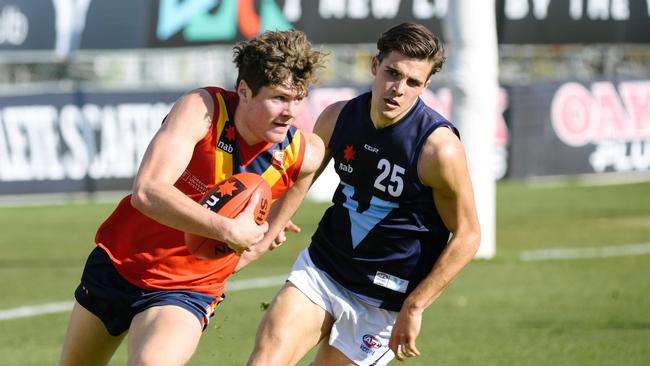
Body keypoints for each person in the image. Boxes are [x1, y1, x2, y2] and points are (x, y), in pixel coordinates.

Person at [59, 29, 325, 366]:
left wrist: (232, 252)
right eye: (279, 98)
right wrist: (227, 232)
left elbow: (265, 234)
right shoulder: (203, 109)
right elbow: (147, 190)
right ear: (244, 90)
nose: (291, 112)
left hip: (188, 289)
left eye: (298, 99)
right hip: (119, 261)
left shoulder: (303, 155)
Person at [246, 23, 481, 366]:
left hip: (384, 302)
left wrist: (415, 305)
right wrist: (276, 220)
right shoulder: (338, 117)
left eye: (413, 82)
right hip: (323, 269)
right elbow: (302, 177)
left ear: (426, 86)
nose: (398, 89)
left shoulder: (438, 150)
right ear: (375, 66)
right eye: (392, 73)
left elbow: (468, 235)